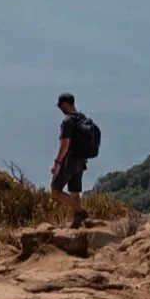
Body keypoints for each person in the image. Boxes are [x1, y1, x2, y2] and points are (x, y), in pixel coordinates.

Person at [50, 92, 92, 225]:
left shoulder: (67, 121)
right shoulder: (82, 117)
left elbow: (65, 143)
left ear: (65, 104)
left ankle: (80, 212)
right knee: (75, 191)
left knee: (55, 191)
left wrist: (57, 163)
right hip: (81, 160)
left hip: (69, 161)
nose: (60, 109)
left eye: (60, 106)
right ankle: (77, 222)